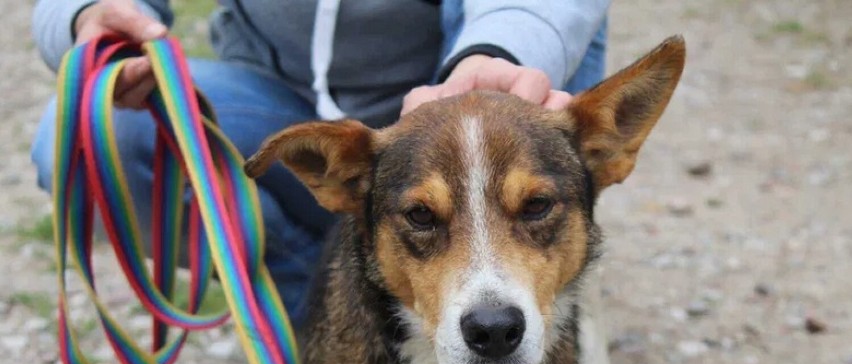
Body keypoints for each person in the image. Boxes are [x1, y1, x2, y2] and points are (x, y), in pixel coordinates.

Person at [31, 0, 609, 328]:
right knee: (89, 139)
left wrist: (498, 53)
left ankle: (533, 323)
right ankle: (308, 324)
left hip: (478, 89)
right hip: (281, 97)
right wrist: (88, 17)